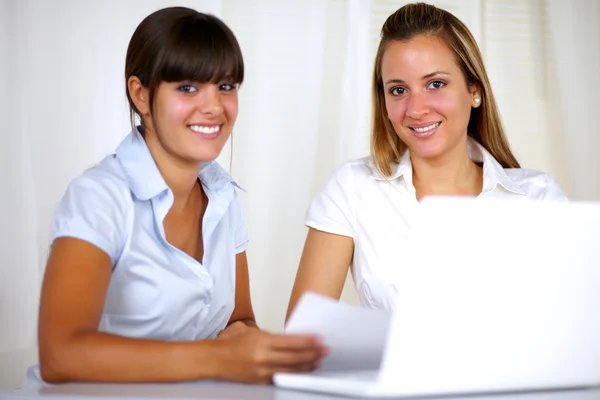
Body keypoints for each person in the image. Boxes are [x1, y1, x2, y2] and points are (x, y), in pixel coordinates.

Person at [25, 7, 327, 387]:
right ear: (141, 94)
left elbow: (238, 321)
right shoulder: (98, 196)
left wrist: (260, 348)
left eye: (226, 86)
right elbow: (61, 354)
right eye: (187, 87)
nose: (214, 106)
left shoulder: (221, 196)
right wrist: (218, 358)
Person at [286, 2, 568, 315]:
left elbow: (568, 328)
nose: (415, 109)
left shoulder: (538, 198)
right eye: (397, 90)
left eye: (435, 84)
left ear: (473, 90)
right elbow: (302, 339)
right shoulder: (352, 189)